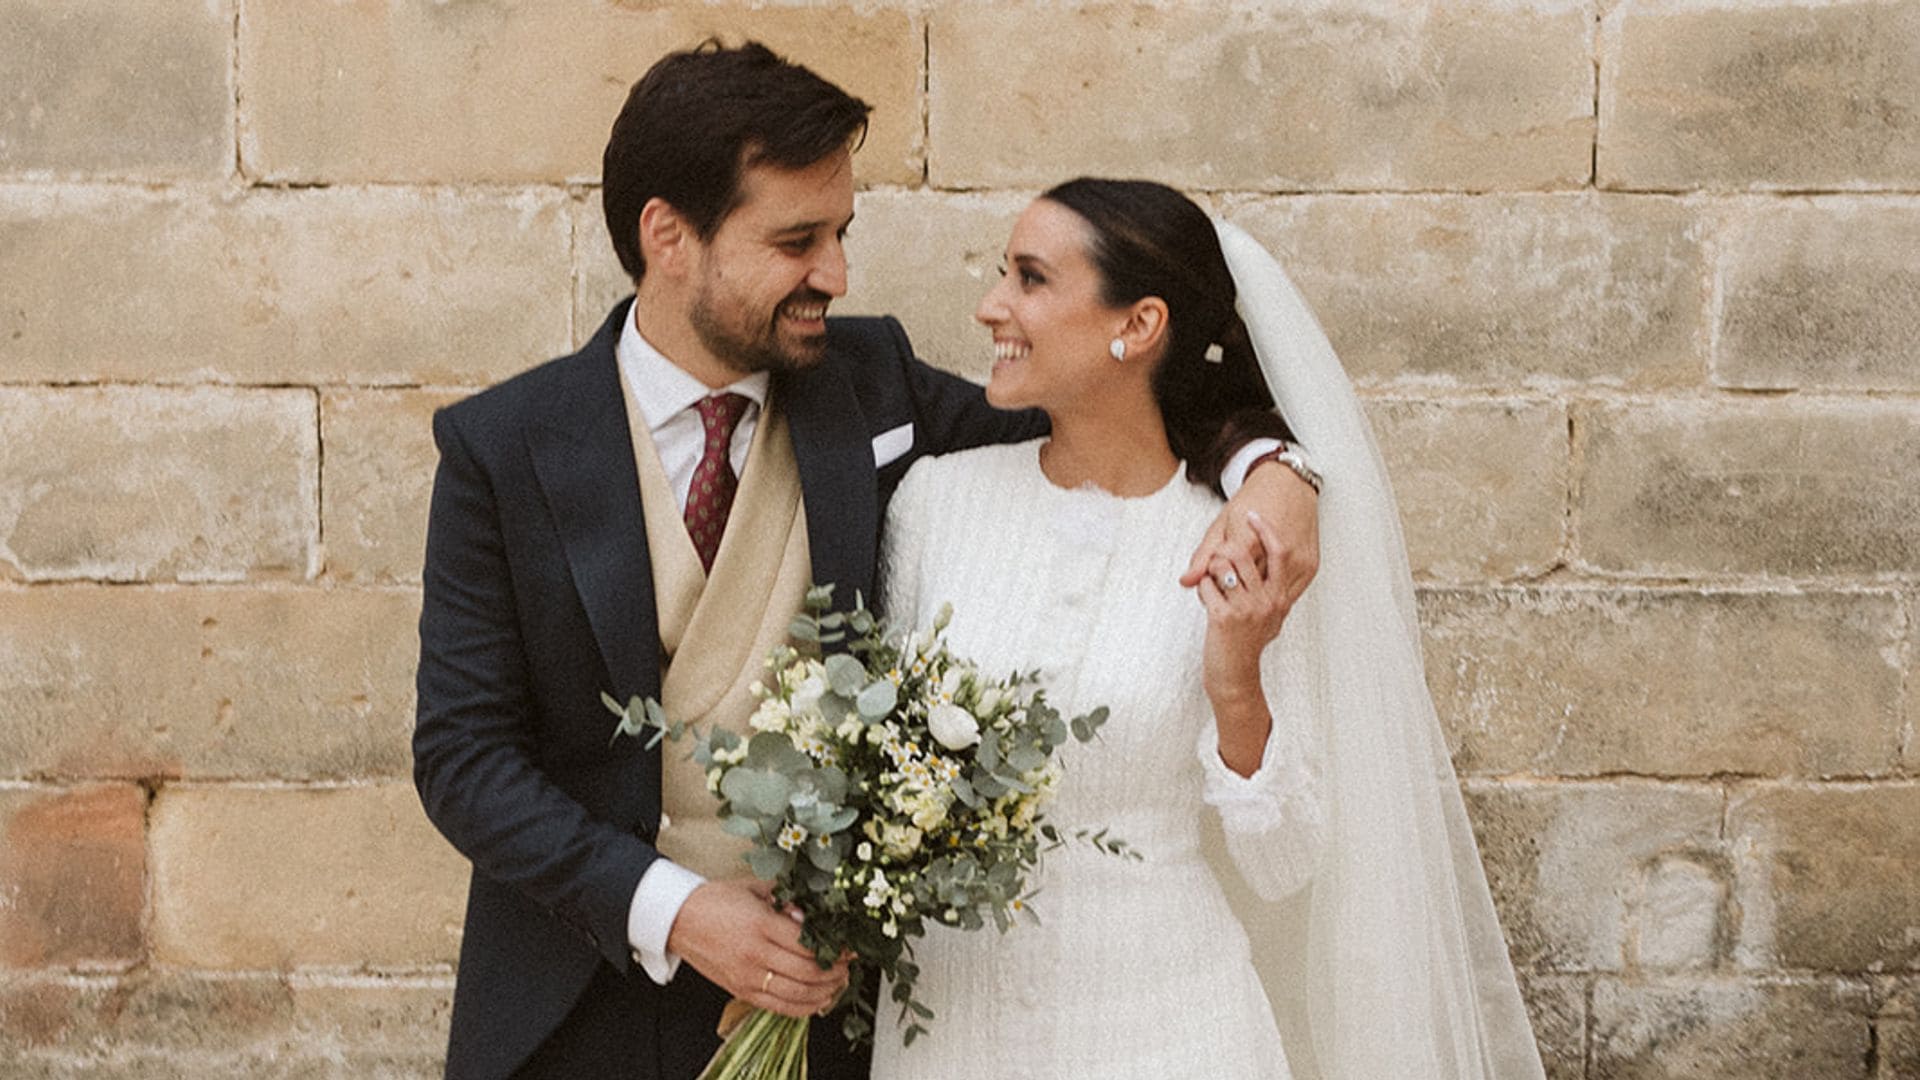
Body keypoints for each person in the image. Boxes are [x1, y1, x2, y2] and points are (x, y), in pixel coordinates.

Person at [411, 44, 1322, 1080]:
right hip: (578, 1004)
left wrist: (1275, 469)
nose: (835, 276)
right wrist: (674, 908)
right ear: (668, 236)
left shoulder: (872, 383)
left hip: (830, 1012)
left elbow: (1117, 410)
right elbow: (463, 758)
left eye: (840, 234)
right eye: (797, 241)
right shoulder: (503, 446)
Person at [872, 179, 1547, 1079]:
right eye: (1004, 274)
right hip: (947, 1035)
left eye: (1031, 279)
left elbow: (1283, 863)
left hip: (1168, 1031)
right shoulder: (935, 503)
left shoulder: (1243, 540)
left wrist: (1237, 681)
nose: (992, 305)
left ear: (1139, 325)